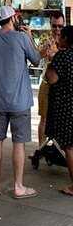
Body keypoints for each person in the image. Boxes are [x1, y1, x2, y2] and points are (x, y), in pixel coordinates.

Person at [0, 6, 41, 198]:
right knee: (19, 143)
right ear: (13, 18)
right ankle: (18, 186)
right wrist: (29, 36)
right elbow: (37, 60)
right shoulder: (22, 39)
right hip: (20, 101)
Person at [45, 26, 73, 196]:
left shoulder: (62, 56)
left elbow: (52, 78)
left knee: (69, 147)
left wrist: (50, 63)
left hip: (67, 107)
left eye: (61, 36)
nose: (58, 38)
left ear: (66, 39)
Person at [37, 11, 65, 146]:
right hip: (47, 83)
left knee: (62, 119)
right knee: (44, 118)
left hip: (64, 84)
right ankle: (40, 149)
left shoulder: (68, 38)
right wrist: (45, 51)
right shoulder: (45, 37)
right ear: (50, 24)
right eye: (54, 26)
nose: (57, 30)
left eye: (60, 26)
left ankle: (60, 148)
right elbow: (36, 58)